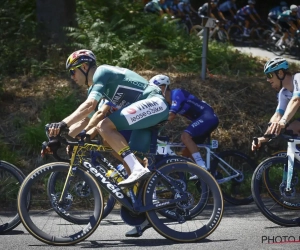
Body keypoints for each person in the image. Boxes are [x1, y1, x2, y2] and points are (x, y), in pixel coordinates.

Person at [48, 49, 169, 187]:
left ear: (84, 67)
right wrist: (58, 139)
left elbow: (89, 105)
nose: (71, 77)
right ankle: (145, 201)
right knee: (131, 163)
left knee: (104, 126)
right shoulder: (98, 89)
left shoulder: (102, 72)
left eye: (72, 71)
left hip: (155, 102)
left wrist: (62, 123)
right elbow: (86, 119)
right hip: (145, 119)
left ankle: (138, 169)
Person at [125, 74, 219, 237]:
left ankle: (202, 168)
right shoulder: (165, 101)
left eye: (158, 88)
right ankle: (196, 172)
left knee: (185, 137)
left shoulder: (176, 94)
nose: (156, 91)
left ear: (165, 87)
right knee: (183, 152)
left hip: (207, 117)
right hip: (199, 119)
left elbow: (170, 116)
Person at [251, 57, 300, 151]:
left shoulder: (298, 78)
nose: (267, 80)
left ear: (280, 73)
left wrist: (283, 121)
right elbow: (277, 116)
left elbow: (296, 100)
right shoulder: (283, 93)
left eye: (269, 75)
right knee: (291, 129)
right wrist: (265, 137)